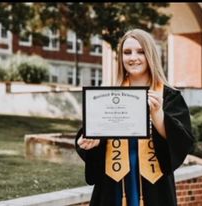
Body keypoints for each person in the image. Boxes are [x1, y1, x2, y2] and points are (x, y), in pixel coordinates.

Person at [75, 28, 195, 206]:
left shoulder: (168, 96)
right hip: (113, 183)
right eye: (127, 52)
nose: (133, 58)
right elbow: (93, 132)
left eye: (140, 52)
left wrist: (158, 115)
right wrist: (90, 142)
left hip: (154, 185)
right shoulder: (109, 96)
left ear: (150, 55)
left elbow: (182, 141)